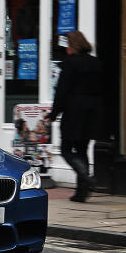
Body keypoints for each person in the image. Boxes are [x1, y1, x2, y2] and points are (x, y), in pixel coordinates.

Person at [46, 31, 104, 202]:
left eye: (67, 45)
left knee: (65, 148)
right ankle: (82, 192)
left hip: (74, 111)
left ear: (72, 46)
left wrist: (54, 113)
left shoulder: (70, 64)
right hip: (93, 111)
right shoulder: (96, 63)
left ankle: (85, 176)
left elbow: (62, 91)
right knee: (82, 149)